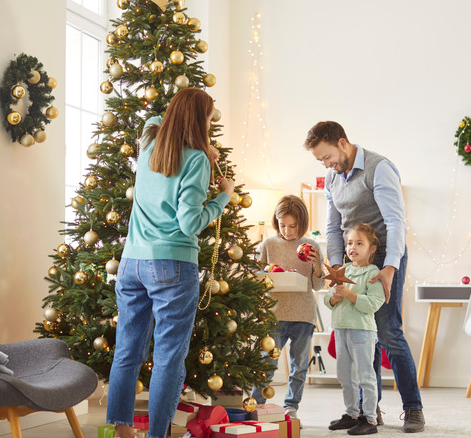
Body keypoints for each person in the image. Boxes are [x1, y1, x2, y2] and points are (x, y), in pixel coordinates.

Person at [106, 88, 236, 438]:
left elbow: (154, 119)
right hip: (172, 266)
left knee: (127, 352)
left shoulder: (149, 141)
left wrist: (201, 145)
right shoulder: (195, 160)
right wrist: (224, 195)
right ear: (200, 120)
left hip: (131, 262)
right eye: (208, 118)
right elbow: (190, 223)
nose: (210, 124)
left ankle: (121, 430)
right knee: (167, 358)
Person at [303, 121, 425, 433]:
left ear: (342, 143)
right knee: (359, 333)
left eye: (327, 157)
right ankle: (367, 411)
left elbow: (396, 222)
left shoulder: (378, 168)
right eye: (321, 161)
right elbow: (333, 226)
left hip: (384, 256)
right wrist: (335, 266)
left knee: (387, 331)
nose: (326, 165)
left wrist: (390, 267)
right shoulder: (333, 177)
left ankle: (413, 409)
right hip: (351, 259)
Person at [250, 195, 325, 419]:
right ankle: (256, 405)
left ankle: (291, 406)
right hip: (274, 314)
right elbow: (257, 277)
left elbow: (318, 285)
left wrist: (317, 266)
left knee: (299, 365)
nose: (288, 231)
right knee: (266, 362)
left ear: (302, 224)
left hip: (303, 314)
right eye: (283, 225)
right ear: (276, 222)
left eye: (293, 226)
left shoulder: (311, 246)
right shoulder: (269, 245)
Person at [325, 224, 385, 435]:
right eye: (350, 243)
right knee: (345, 375)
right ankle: (351, 414)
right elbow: (327, 299)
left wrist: (350, 295)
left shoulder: (373, 273)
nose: (353, 247)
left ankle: (369, 419)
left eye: (359, 243)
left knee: (365, 376)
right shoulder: (342, 271)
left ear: (371, 249)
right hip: (341, 329)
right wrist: (334, 297)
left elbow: (375, 303)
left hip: (362, 332)